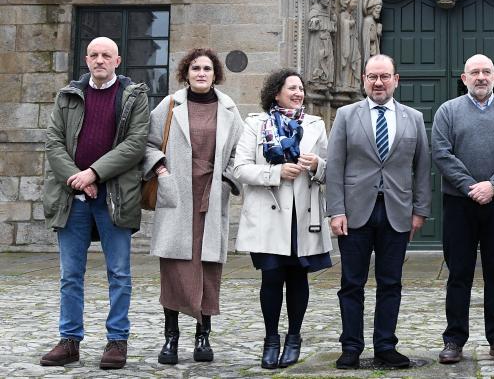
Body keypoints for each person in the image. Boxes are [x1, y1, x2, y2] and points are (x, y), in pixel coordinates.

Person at [41, 36, 149, 369]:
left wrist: (94, 174)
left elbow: (135, 144)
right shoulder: (67, 96)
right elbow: (54, 142)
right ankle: (69, 341)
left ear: (118, 61)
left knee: (119, 274)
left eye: (106, 55)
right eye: (93, 55)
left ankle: (117, 341)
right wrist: (77, 177)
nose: (99, 60)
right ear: (86, 60)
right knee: (70, 275)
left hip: (115, 197)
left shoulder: (134, 97)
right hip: (72, 198)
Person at [326, 54, 431, 369]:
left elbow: (423, 168)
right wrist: (336, 210)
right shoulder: (346, 115)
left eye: (385, 76)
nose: (379, 82)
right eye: (373, 76)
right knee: (352, 283)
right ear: (363, 79)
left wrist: (420, 211)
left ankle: (386, 345)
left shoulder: (413, 117)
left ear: (396, 80)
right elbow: (335, 166)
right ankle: (351, 348)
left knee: (391, 283)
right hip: (355, 212)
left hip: (397, 212)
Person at [143, 48, 243, 365]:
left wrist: (227, 179)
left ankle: (203, 336)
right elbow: (146, 142)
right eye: (196, 68)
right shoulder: (170, 105)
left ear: (216, 74)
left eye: (207, 69)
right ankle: (170, 338)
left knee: (208, 267)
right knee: (174, 267)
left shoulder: (228, 108)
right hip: (178, 194)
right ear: (186, 73)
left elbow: (241, 150)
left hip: (210, 196)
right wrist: (161, 170)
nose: (201, 73)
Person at [432, 54, 494, 364]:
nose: (480, 77)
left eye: (486, 71)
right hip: (460, 204)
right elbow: (441, 152)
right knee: (458, 273)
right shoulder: (448, 111)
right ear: (464, 79)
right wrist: (471, 187)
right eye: (474, 72)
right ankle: (454, 340)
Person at [234, 69, 332, 369]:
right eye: (292, 88)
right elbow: (240, 169)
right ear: (276, 92)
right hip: (269, 214)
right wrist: (275, 173)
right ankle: (271, 339)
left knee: (298, 278)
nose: (298, 93)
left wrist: (317, 164)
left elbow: (331, 169)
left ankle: (294, 337)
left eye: (301, 88)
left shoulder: (316, 124)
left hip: (304, 214)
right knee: (272, 278)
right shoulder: (256, 124)